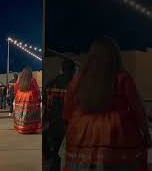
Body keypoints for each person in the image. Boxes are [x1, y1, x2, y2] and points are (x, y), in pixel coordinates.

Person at [63, 37, 151, 171]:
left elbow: (68, 107)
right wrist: (146, 135)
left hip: (81, 133)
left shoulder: (80, 78)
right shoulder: (122, 77)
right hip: (116, 134)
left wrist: (71, 126)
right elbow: (138, 109)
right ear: (115, 56)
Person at [43, 59, 76, 171]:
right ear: (74, 70)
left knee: (55, 155)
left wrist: (45, 123)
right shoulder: (78, 85)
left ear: (61, 69)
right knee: (71, 157)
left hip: (54, 126)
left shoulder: (50, 84)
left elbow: (44, 106)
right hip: (71, 127)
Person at [13, 66, 41, 134]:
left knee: (21, 113)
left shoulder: (20, 80)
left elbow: (15, 90)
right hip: (29, 98)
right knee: (29, 114)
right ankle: (30, 128)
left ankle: (20, 127)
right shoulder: (32, 80)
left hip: (20, 97)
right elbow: (37, 90)